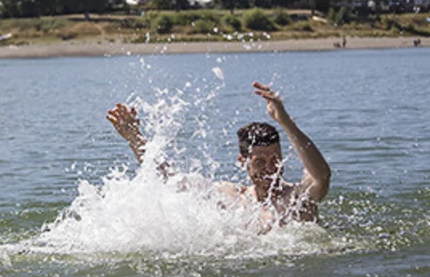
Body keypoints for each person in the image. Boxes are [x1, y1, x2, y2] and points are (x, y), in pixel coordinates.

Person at [107, 82, 331, 223]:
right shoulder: (231, 197)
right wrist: (135, 138)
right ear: (243, 162)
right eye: (260, 162)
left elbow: (322, 176)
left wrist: (286, 123)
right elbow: (168, 180)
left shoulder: (297, 197)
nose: (270, 169)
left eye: (275, 159)